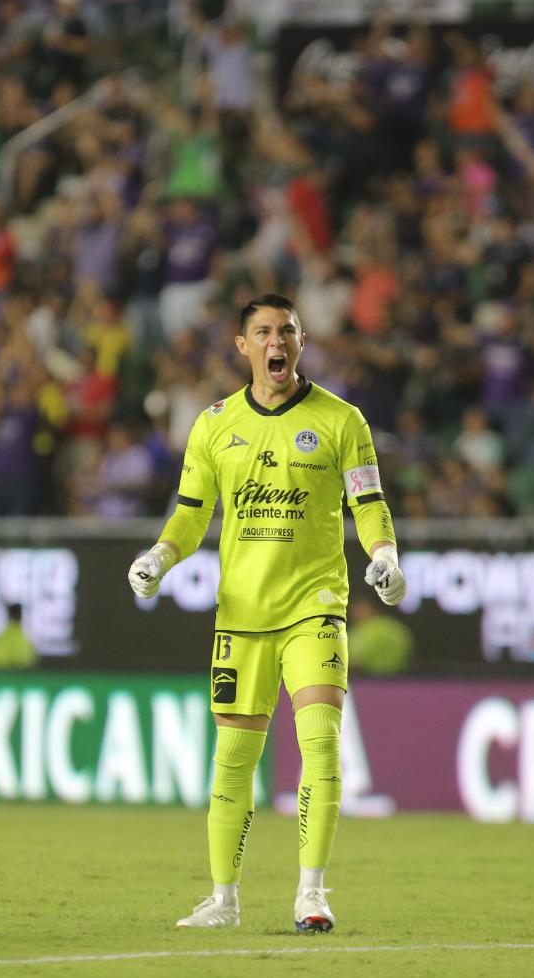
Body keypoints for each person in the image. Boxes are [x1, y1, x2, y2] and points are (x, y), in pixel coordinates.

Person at [126, 293, 406, 933]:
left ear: (300, 341)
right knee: (233, 759)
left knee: (321, 744)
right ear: (242, 345)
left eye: (286, 331)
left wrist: (386, 555)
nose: (275, 342)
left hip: (315, 608)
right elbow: (193, 513)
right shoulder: (214, 424)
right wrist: (159, 556)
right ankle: (223, 900)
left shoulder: (342, 420)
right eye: (262, 332)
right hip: (242, 616)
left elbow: (368, 504)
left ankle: (312, 893)